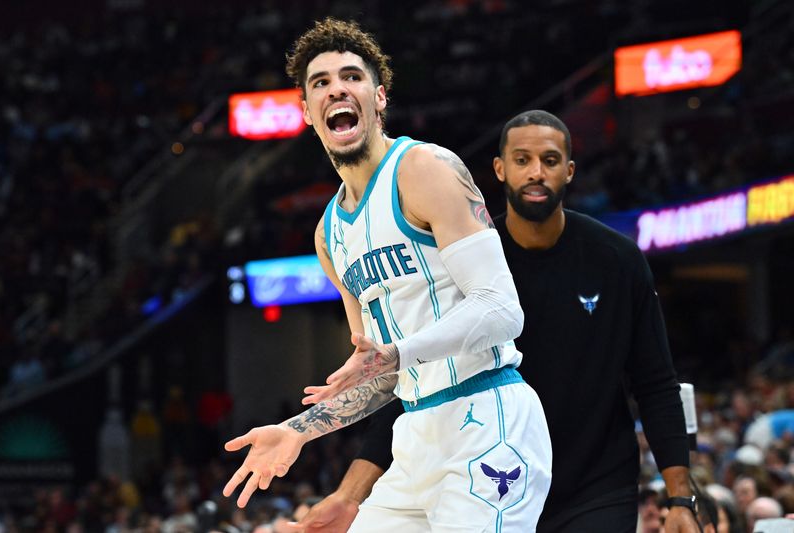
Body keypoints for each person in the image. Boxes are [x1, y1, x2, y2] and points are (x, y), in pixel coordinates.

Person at [297, 110, 700, 532]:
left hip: (596, 486)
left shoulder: (617, 259)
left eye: (550, 160)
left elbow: (656, 383)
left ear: (570, 171)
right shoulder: (462, 259)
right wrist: (348, 494)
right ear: (499, 169)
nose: (536, 173)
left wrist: (679, 498)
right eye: (522, 160)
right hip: (491, 463)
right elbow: (407, 382)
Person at [221, 19, 552, 532]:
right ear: (307, 112)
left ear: (378, 98)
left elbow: (502, 309)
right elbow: (379, 373)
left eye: (351, 77)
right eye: (320, 82)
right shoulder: (329, 234)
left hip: (488, 419)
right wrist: (296, 431)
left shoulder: (424, 169)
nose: (336, 88)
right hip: (414, 436)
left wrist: (398, 353)